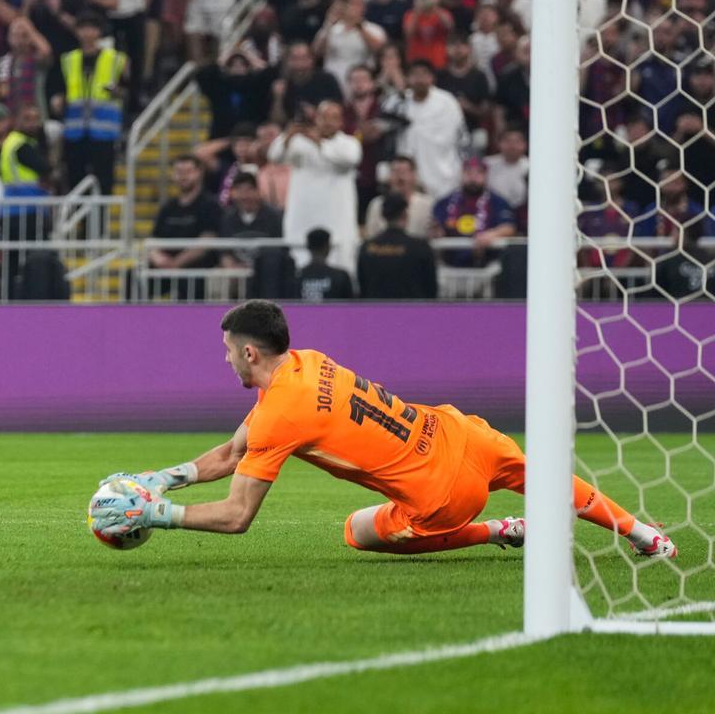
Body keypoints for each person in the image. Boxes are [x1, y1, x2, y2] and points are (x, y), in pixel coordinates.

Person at [90, 300, 678, 560]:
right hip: (462, 432)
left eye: (227, 351)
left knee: (358, 532)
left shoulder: (281, 413)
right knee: (542, 477)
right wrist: (161, 478)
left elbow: (237, 516)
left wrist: (156, 514)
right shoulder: (306, 363)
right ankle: (643, 534)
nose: (224, 360)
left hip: (444, 496)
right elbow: (233, 451)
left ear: (249, 353)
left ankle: (495, 530)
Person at [271, 100, 361, 272]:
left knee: (341, 266)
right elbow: (274, 156)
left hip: (338, 221)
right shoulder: (300, 142)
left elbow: (350, 160)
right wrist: (288, 135)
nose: (328, 122)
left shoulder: (349, 143)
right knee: (299, 265)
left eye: (334, 118)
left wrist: (318, 142)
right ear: (316, 119)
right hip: (303, 219)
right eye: (324, 117)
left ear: (341, 122)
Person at [58, 14, 126, 195]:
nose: (87, 33)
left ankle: (102, 214)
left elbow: (128, 89)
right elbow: (62, 90)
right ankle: (79, 213)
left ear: (99, 32)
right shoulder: (69, 59)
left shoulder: (115, 59)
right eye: (83, 28)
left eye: (92, 28)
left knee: (104, 179)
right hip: (75, 131)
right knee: (75, 180)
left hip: (104, 131)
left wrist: (118, 91)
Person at [148, 155, 222, 300]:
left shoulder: (211, 205)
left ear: (199, 173)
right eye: (179, 172)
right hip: (166, 267)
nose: (183, 176)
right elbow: (154, 240)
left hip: (196, 267)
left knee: (191, 279)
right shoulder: (168, 207)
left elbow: (207, 241)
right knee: (133, 276)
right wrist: (158, 258)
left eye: (188, 171)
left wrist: (177, 263)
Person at [393, 60, 466, 201]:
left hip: (445, 172)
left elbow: (460, 137)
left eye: (424, 74)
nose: (419, 79)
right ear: (407, 78)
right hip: (412, 174)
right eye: (415, 75)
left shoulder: (447, 102)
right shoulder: (399, 102)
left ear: (432, 78)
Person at [432, 157, 517, 268]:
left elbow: (509, 227)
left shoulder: (498, 202)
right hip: (451, 266)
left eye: (479, 173)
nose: (473, 177)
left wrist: (492, 235)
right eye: (468, 172)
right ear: (462, 175)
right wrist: (437, 231)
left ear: (486, 176)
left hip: (488, 266)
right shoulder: (445, 202)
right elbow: (436, 225)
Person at [358, 194, 438, 299]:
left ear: (383, 215)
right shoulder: (420, 248)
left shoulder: (367, 248)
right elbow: (431, 289)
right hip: (412, 307)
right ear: (405, 214)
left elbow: (363, 288)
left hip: (376, 307)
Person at [363, 155, 435, 240]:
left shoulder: (428, 205)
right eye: (395, 172)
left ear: (414, 175)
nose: (400, 178)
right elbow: (371, 237)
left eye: (404, 172)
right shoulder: (377, 205)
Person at [297, 228, 354, 301]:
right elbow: (351, 306)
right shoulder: (341, 276)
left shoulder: (296, 276)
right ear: (328, 247)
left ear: (307, 247)